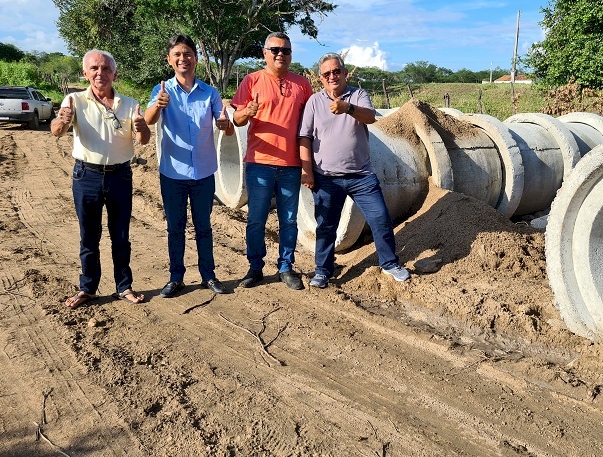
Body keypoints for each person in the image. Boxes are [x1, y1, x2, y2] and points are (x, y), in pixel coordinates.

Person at [298, 53, 410, 289]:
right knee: (326, 225)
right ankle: (323, 270)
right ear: (320, 78)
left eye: (336, 71)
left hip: (361, 176)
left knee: (380, 217)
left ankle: (389, 263)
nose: (332, 76)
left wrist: (347, 107)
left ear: (345, 73)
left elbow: (370, 118)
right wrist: (306, 170)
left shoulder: (358, 95)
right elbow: (304, 137)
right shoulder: (314, 102)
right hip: (326, 177)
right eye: (327, 73)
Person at [51, 49, 151, 308]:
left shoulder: (129, 104)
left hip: (120, 175)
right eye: (94, 68)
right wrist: (62, 121)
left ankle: (124, 286)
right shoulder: (73, 100)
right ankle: (88, 288)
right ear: (85, 73)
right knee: (89, 236)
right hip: (86, 175)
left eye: (106, 69)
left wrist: (141, 128)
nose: (100, 73)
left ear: (115, 74)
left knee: (120, 235)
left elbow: (143, 139)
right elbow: (56, 131)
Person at [144, 34, 235, 298]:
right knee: (175, 227)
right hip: (172, 173)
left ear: (196, 58)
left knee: (204, 226)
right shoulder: (162, 91)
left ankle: (209, 276)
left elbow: (227, 130)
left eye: (188, 54)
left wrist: (225, 125)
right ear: (169, 60)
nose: (183, 58)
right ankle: (176, 277)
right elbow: (149, 120)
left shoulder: (210, 93)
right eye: (177, 55)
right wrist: (158, 106)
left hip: (204, 173)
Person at [231, 32, 312, 290]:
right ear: (264, 53)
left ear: (291, 54)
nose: (280, 54)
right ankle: (255, 267)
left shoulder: (302, 85)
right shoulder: (251, 80)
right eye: (275, 49)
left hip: (291, 165)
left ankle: (286, 267)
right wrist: (247, 111)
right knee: (257, 218)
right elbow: (237, 119)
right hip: (259, 163)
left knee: (289, 219)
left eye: (285, 50)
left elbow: (309, 123)